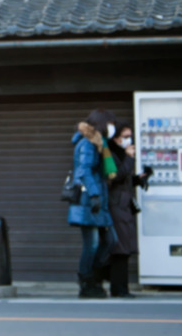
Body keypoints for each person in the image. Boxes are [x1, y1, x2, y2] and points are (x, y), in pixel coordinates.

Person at [68, 109, 116, 299]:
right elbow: (84, 171)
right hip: (88, 201)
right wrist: (95, 195)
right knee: (92, 244)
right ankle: (87, 284)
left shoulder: (98, 143)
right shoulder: (87, 144)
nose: (112, 128)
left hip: (97, 201)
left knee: (110, 241)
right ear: (102, 125)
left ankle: (94, 279)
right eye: (110, 124)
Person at [107, 123, 146, 298]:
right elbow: (115, 177)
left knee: (124, 248)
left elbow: (124, 179)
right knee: (120, 249)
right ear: (115, 138)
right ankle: (119, 289)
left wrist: (138, 179)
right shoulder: (110, 154)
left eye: (130, 136)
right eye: (125, 136)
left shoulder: (121, 154)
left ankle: (120, 287)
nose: (129, 140)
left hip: (123, 206)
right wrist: (130, 158)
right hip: (116, 207)